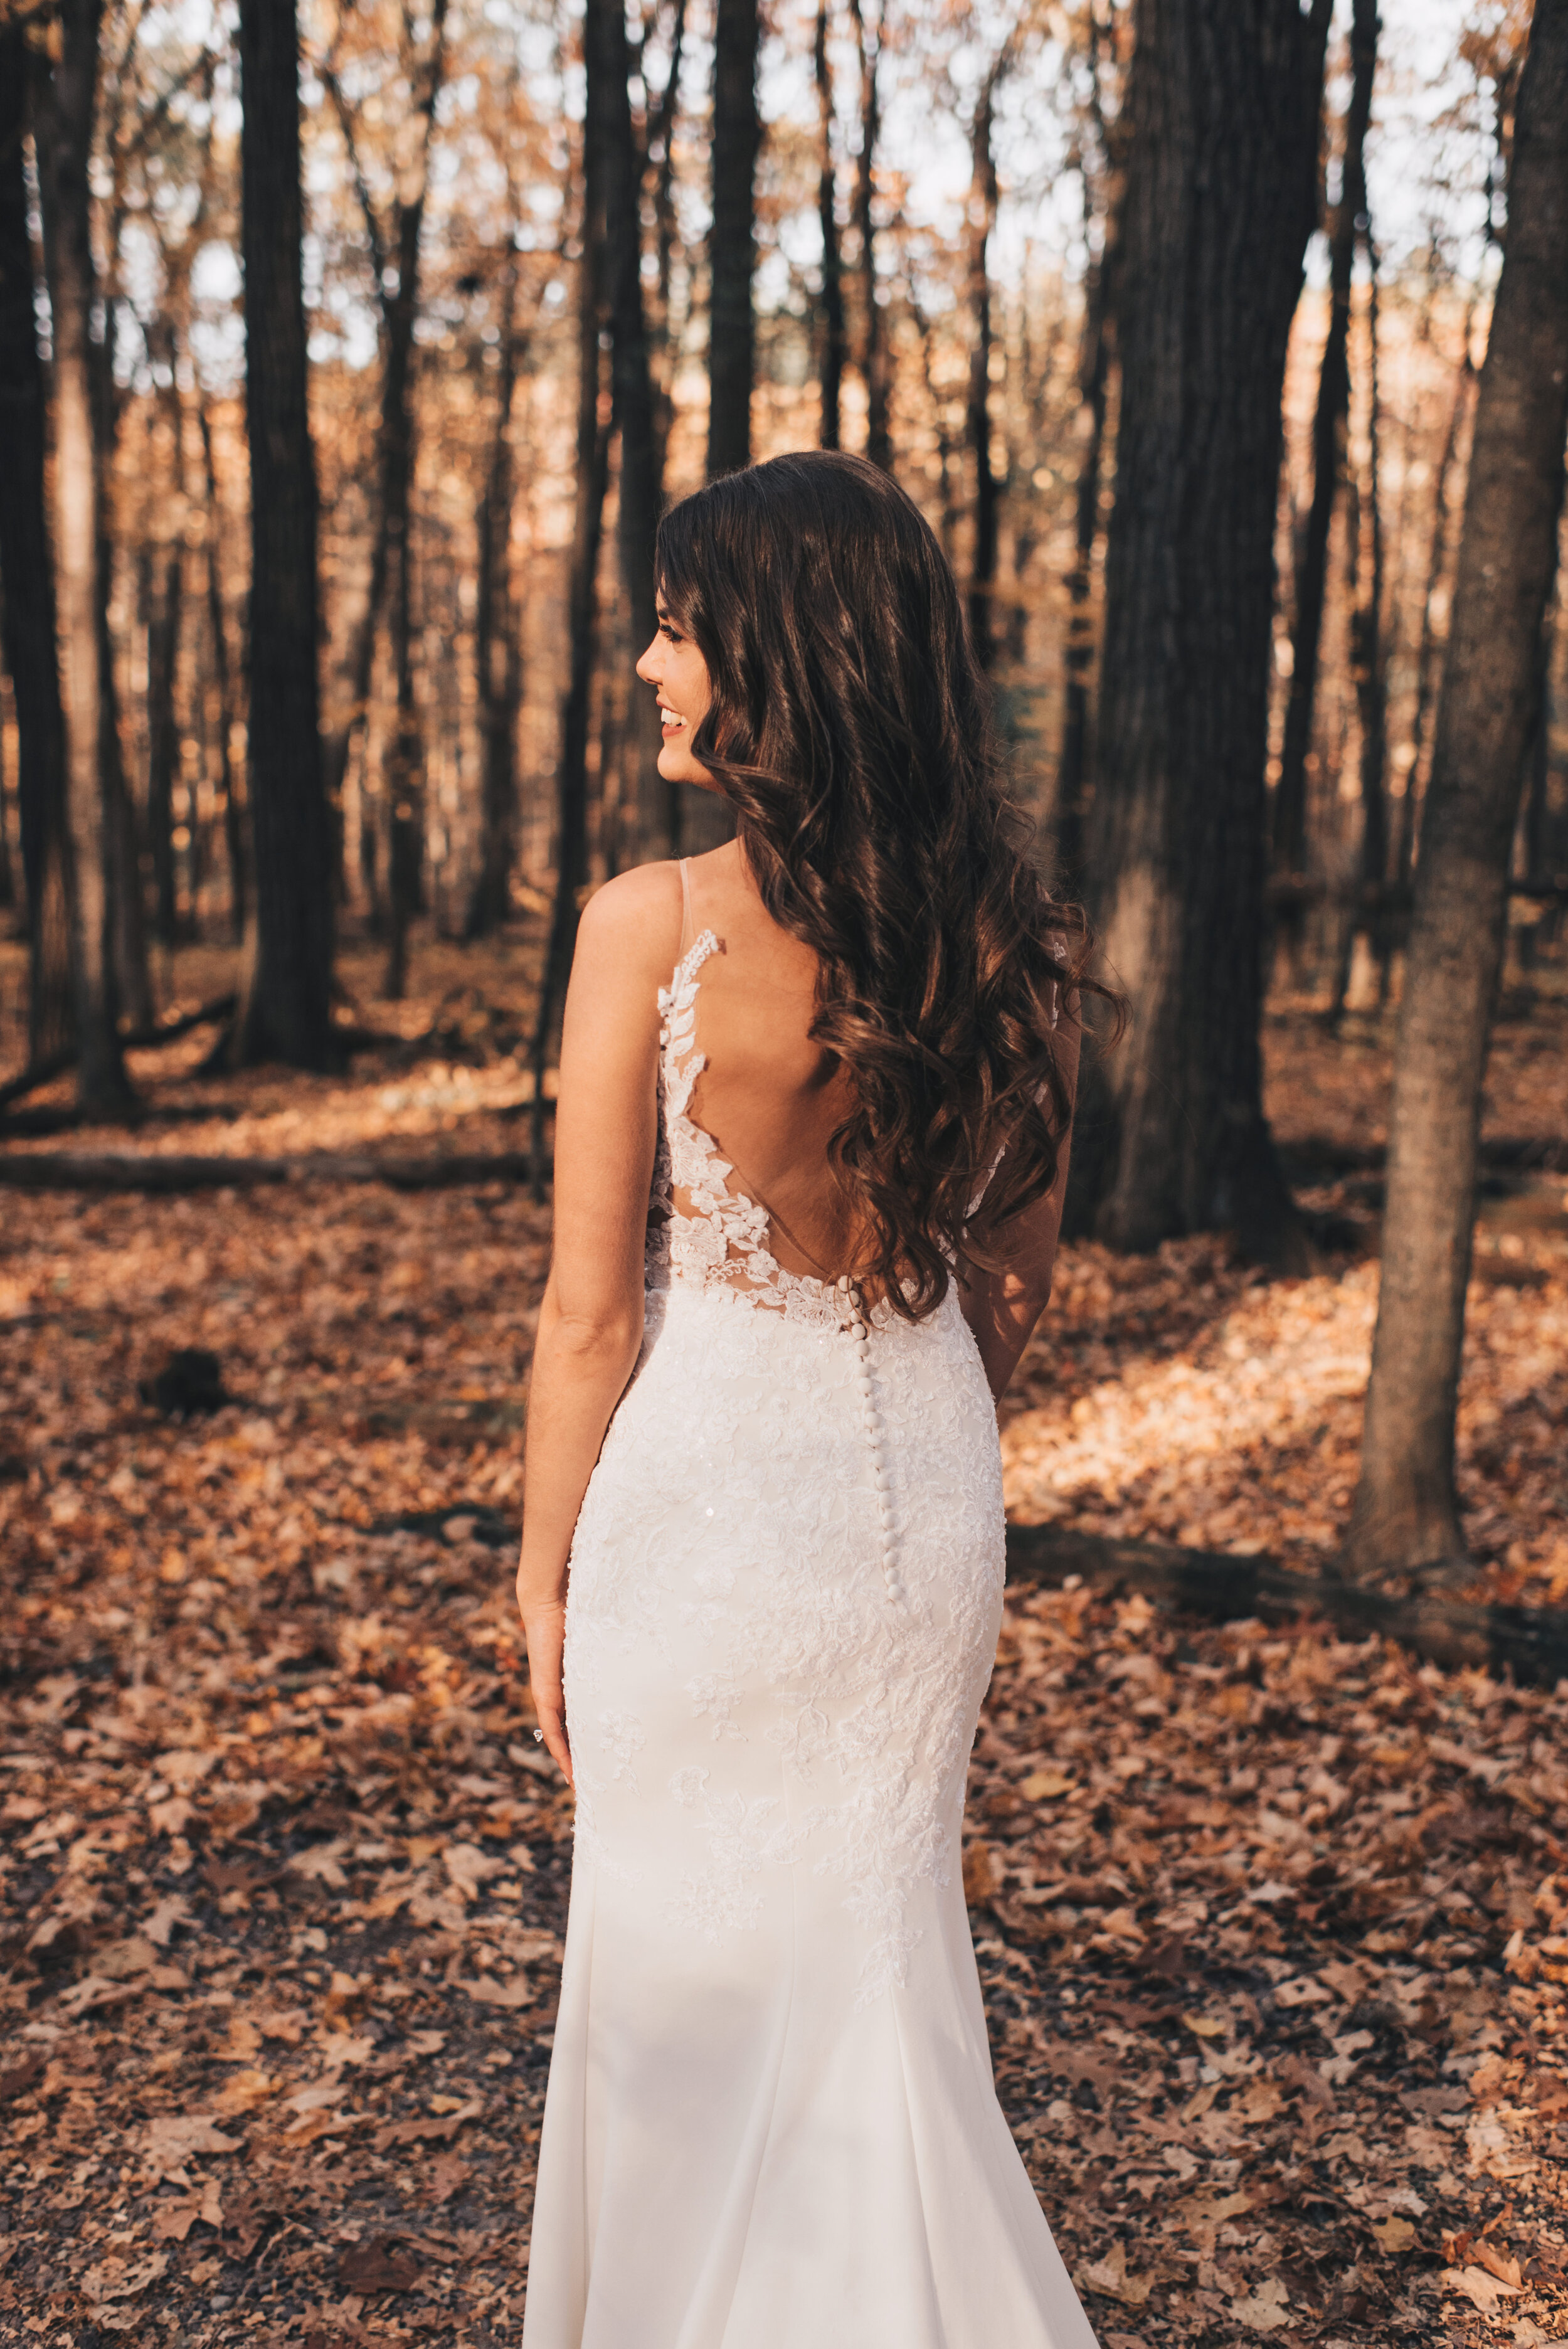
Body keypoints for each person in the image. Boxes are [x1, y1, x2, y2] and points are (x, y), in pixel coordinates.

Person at [516, 452, 1106, 2348]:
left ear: (777, 658)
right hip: (922, 1486)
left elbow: (590, 1315)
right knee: (876, 1964)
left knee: (685, 1976)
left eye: (677, 627)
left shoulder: (646, 922)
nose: (644, 663)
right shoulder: (1008, 937)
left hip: (702, 1504)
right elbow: (1014, 1279)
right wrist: (923, 1425)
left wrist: (541, 1579)